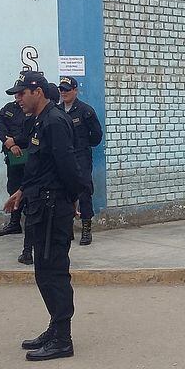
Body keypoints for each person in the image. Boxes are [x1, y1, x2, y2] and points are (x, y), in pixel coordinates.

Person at [3, 71, 83, 361]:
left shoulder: (54, 121)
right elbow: (40, 168)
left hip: (52, 209)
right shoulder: (39, 121)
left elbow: (68, 167)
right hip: (40, 205)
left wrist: (71, 200)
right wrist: (22, 191)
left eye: (21, 93)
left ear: (37, 92)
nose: (18, 99)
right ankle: (55, 327)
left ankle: (63, 338)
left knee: (54, 273)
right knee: (43, 272)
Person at [57, 76, 102, 245]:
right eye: (61, 90)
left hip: (81, 156)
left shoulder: (85, 111)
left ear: (75, 90)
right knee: (64, 192)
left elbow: (96, 135)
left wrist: (84, 145)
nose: (64, 93)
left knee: (84, 191)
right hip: (63, 157)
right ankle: (67, 228)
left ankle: (86, 229)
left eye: (67, 90)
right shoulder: (57, 110)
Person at [0, 95, 34, 256]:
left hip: (28, 154)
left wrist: (15, 141)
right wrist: (8, 143)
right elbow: (0, 126)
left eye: (21, 94)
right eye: (16, 95)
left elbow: (30, 132)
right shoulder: (9, 109)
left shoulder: (31, 109)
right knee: (13, 187)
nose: (18, 98)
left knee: (30, 190)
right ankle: (14, 222)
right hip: (13, 156)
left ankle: (30, 224)